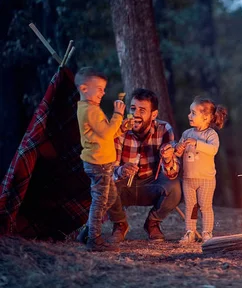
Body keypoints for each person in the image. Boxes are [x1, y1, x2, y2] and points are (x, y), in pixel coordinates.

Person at [107, 88, 182, 242]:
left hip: (151, 184)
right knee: (104, 184)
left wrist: (168, 159)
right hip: (124, 185)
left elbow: (172, 174)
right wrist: (121, 170)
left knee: (175, 188)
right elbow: (109, 168)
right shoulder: (119, 129)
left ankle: (153, 223)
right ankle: (120, 224)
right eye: (133, 108)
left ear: (153, 115)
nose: (135, 114)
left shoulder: (164, 129)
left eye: (142, 110)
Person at [75, 67, 125, 251]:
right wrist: (118, 115)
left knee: (110, 197)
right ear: (84, 88)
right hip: (99, 164)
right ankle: (94, 240)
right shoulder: (91, 111)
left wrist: (122, 128)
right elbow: (106, 132)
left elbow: (106, 134)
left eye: (104, 89)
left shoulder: (89, 108)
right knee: (100, 202)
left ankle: (87, 232)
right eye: (100, 88)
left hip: (100, 162)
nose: (103, 92)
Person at [176, 97, 227, 244]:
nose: (189, 115)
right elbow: (179, 153)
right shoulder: (186, 134)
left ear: (206, 117)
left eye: (193, 113)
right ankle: (190, 232)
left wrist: (196, 143)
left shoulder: (211, 135)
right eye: (190, 112)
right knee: (190, 207)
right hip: (188, 178)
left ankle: (207, 233)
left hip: (206, 179)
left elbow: (213, 150)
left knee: (205, 206)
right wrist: (178, 149)